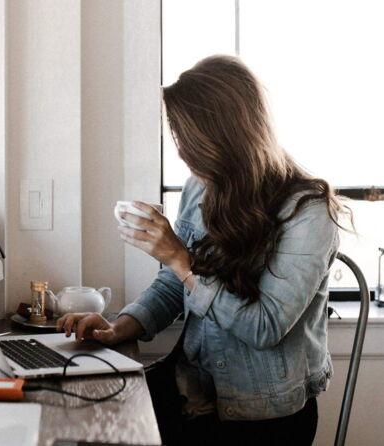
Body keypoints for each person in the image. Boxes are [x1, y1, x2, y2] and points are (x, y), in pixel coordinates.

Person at [57, 55, 349, 446]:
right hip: (193, 388)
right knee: (84, 416)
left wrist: (181, 258)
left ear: (227, 136)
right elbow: (173, 285)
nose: (182, 154)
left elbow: (263, 327)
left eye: (188, 141)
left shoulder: (309, 212)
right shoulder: (202, 187)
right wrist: (117, 328)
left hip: (261, 414)